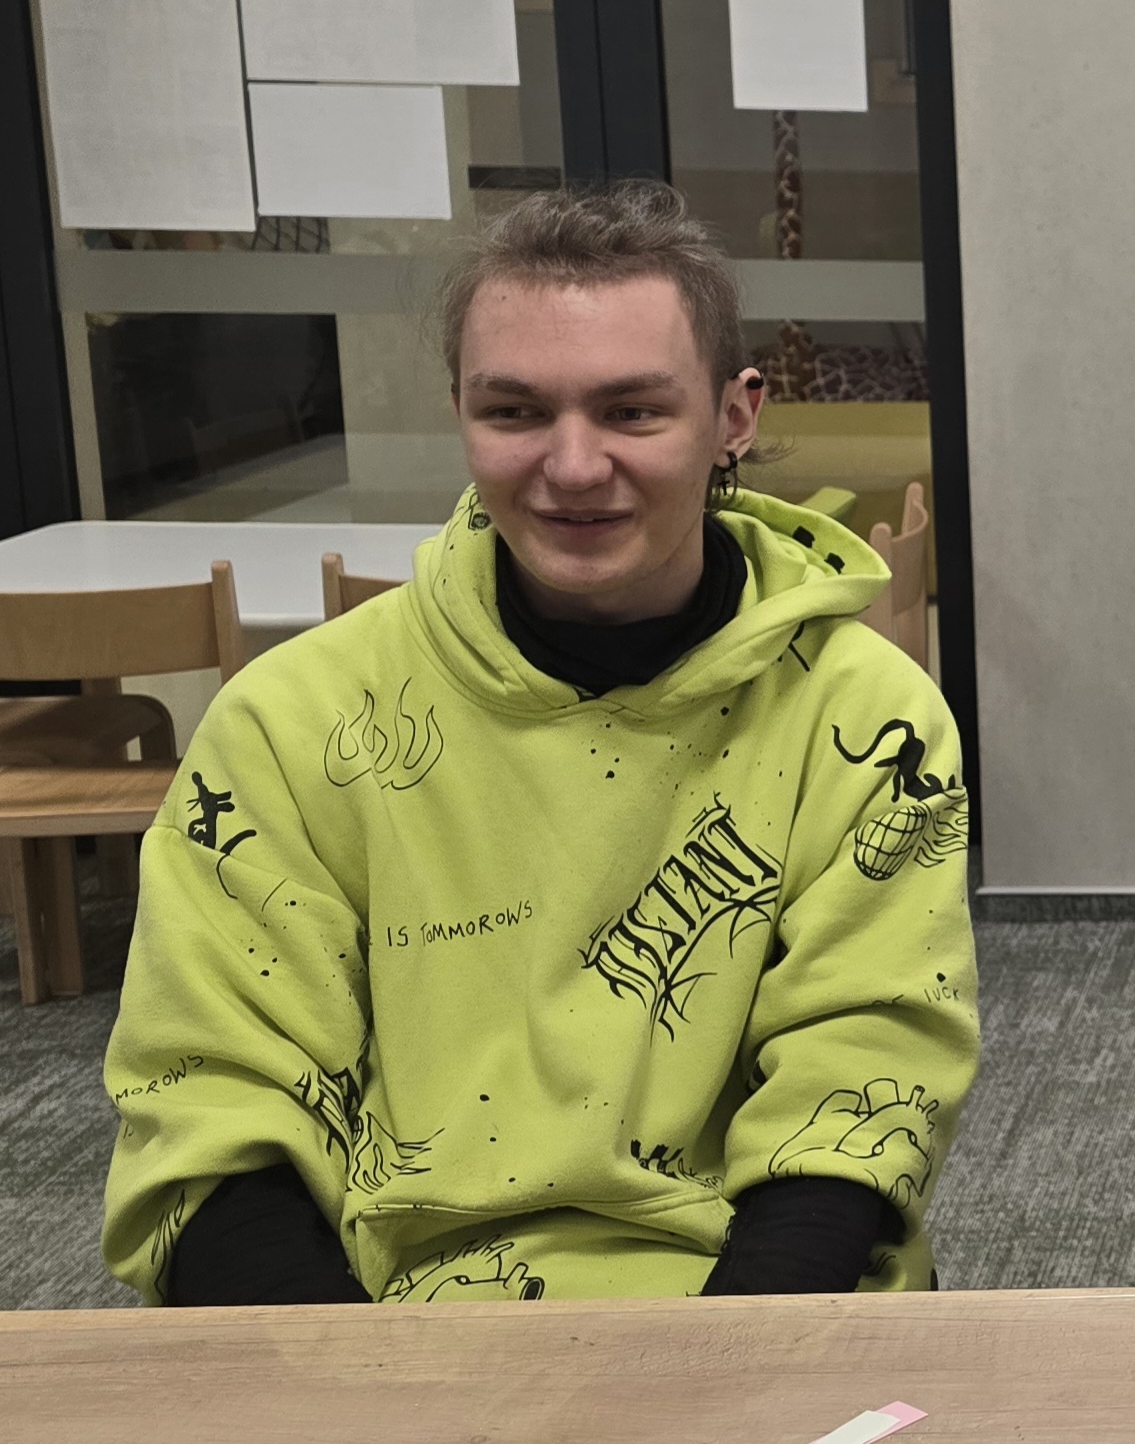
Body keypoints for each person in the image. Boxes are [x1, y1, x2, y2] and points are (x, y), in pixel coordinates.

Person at [101, 184, 978, 1304]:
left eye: (632, 411)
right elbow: (214, 1091)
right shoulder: (292, 723)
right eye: (515, 411)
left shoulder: (866, 719)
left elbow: (864, 1069)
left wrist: (726, 1371)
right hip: (389, 1315)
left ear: (734, 417)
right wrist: (349, 1382)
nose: (571, 465)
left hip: (759, 1306)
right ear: (459, 410)